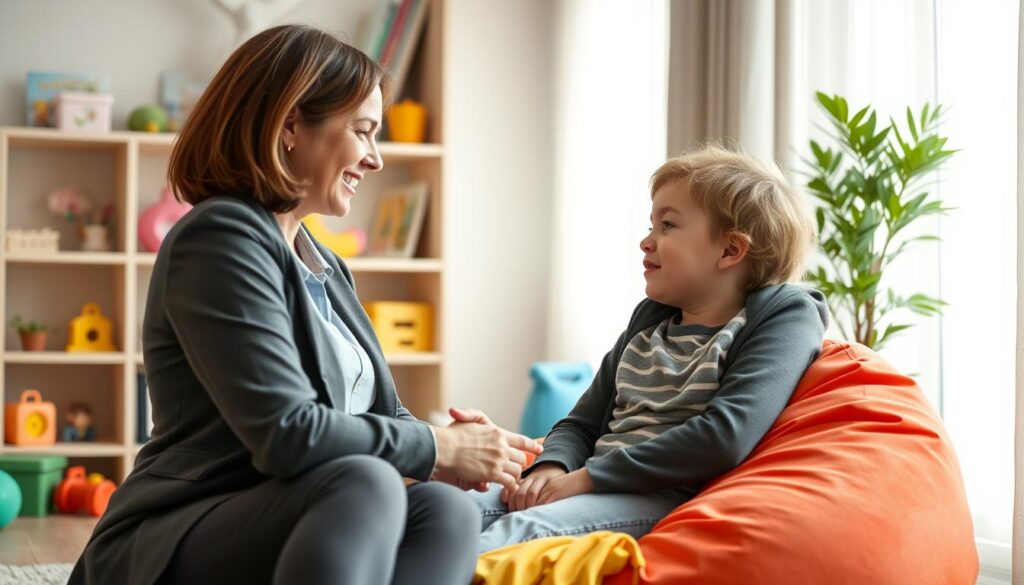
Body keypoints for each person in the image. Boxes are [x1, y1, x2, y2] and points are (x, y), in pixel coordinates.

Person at [68, 24, 540, 585]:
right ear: (290, 124)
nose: (376, 159)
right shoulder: (220, 236)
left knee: (446, 508)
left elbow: (374, 418)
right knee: (366, 483)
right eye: (363, 132)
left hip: (285, 514)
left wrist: (469, 450)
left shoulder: (325, 266)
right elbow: (288, 433)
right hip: (174, 534)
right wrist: (436, 447)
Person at [471, 144, 829, 552]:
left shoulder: (783, 316)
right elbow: (581, 423)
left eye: (668, 226)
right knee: (440, 509)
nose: (646, 241)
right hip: (592, 481)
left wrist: (586, 478)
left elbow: (724, 436)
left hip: (663, 496)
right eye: (651, 225)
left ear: (730, 249)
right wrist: (551, 466)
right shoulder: (652, 320)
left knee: (513, 536)